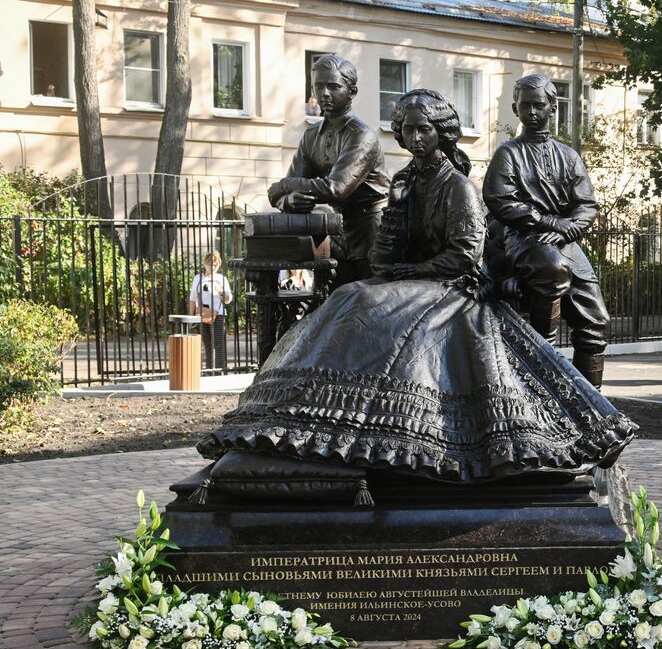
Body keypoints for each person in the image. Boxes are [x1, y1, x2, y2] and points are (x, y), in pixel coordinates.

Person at [205, 89, 633, 481]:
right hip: (415, 281)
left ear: (441, 133)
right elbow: (382, 254)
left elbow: (465, 255)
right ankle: (315, 411)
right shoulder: (406, 183)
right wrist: (392, 238)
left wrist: (413, 271)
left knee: (384, 313)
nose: (414, 138)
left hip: (455, 286)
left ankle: (401, 425)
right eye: (407, 130)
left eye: (423, 129)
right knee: (350, 296)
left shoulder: (459, 186)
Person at [482, 75, 609, 387]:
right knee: (553, 270)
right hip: (523, 237)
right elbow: (501, 200)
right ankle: (543, 356)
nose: (532, 112)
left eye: (539, 105)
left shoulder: (568, 156)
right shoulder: (508, 154)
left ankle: (592, 401)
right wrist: (550, 224)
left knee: (597, 321)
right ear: (516, 108)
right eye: (525, 106)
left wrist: (565, 231)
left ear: (553, 107)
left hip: (564, 241)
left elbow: (587, 206)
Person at [268, 54, 390, 289]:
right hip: (337, 233)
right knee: (337, 306)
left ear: (351, 91)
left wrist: (283, 187)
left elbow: (336, 188)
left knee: (371, 307)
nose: (324, 93)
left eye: (333, 86)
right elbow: (282, 193)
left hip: (373, 235)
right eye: (318, 86)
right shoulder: (311, 136)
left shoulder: (361, 135)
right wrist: (289, 199)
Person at [188, 251, 234, 374]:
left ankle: (219, 371)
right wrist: (190, 317)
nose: (212, 267)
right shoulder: (198, 278)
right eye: (210, 264)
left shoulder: (221, 279)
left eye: (215, 264)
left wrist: (221, 292)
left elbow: (229, 300)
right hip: (202, 314)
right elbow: (192, 299)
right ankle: (209, 370)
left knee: (218, 344)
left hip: (218, 314)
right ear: (205, 264)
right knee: (207, 344)